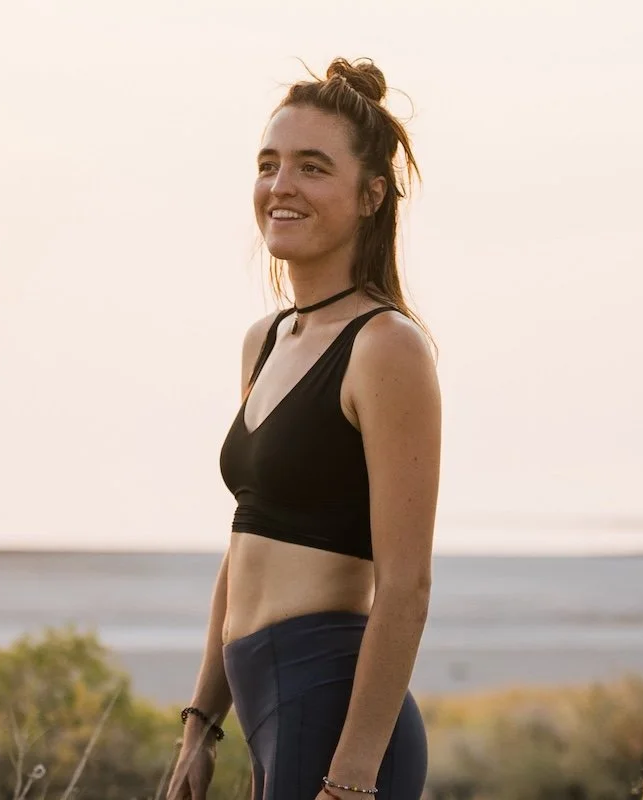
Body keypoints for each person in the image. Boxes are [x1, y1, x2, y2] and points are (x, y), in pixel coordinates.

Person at [167, 56, 441, 800]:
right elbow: (245, 538)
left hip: (332, 705)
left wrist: (352, 777)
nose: (281, 187)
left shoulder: (387, 347)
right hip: (265, 704)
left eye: (312, 168)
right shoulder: (264, 339)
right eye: (269, 164)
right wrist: (201, 722)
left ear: (370, 195)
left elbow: (408, 585)